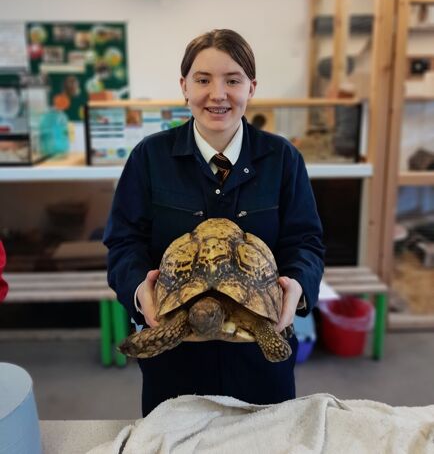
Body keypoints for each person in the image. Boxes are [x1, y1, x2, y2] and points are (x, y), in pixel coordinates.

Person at [104, 29, 324, 417]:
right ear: (184, 87)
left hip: (259, 356)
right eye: (203, 80)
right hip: (175, 361)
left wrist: (298, 289)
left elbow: (306, 242)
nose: (217, 94)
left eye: (233, 80)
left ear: (251, 88)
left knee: (264, 440)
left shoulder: (283, 159)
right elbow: (123, 243)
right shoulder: (149, 158)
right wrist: (140, 291)